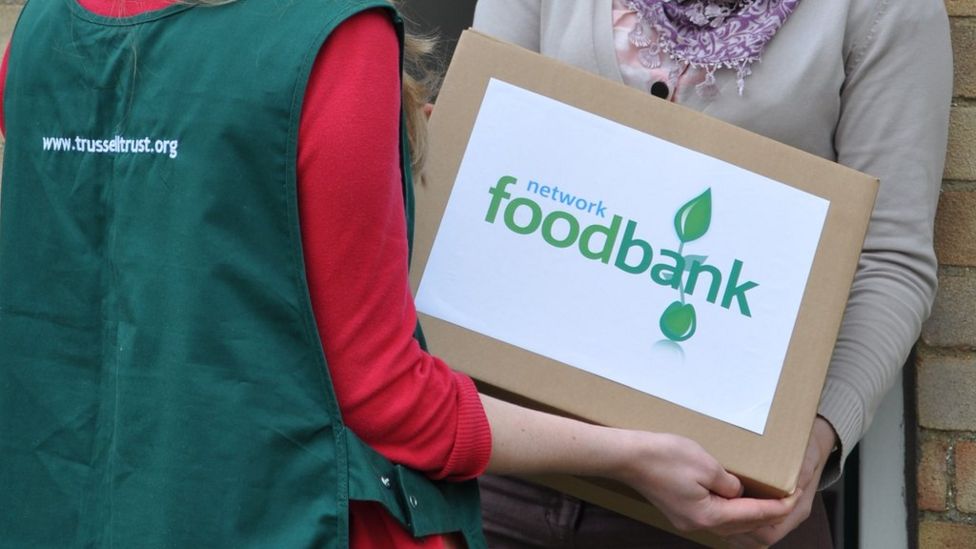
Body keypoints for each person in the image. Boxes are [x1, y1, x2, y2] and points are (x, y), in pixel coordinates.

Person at [0, 1, 799, 547]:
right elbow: (391, 400)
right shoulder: (327, 39)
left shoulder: (39, 33)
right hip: (280, 512)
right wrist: (628, 453)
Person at [472, 0, 953, 547]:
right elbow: (487, 149)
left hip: (719, 500)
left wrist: (812, 445)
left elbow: (888, 260)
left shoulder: (884, 11)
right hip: (504, 468)